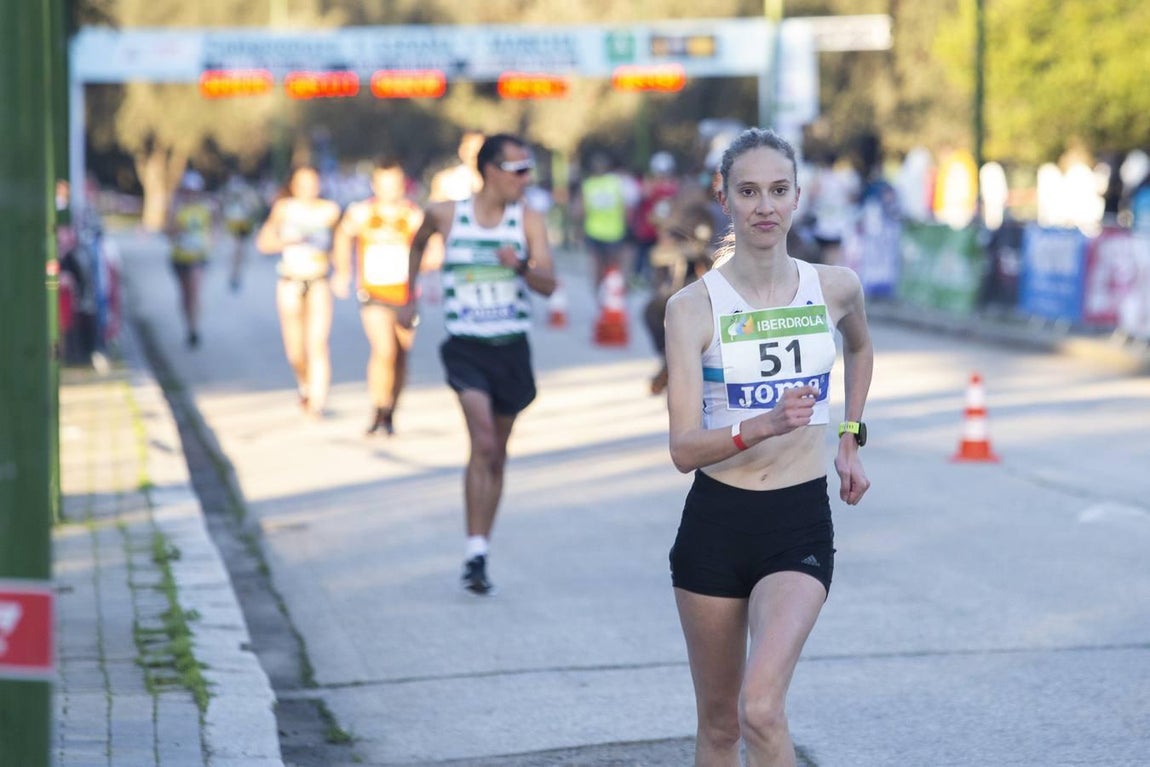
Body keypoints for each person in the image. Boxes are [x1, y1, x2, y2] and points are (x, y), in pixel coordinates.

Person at [663, 128, 873, 766]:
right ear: (723, 198)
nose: (765, 207)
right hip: (715, 525)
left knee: (760, 707)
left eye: (778, 191)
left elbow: (860, 348)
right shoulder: (692, 308)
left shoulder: (834, 287)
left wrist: (849, 436)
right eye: (748, 192)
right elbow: (682, 448)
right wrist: (759, 426)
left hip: (796, 520)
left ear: (798, 196)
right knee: (721, 727)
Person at [402, 133, 557, 596]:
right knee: (484, 443)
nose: (526, 179)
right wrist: (408, 297)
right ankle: (473, 550)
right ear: (489, 170)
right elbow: (417, 243)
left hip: (510, 349)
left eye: (529, 169)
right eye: (518, 170)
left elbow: (548, 285)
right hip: (466, 348)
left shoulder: (528, 219)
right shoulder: (447, 213)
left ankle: (481, 548)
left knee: (498, 453)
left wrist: (522, 267)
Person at [333, 158, 425, 436]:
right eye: (383, 184)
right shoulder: (361, 213)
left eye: (394, 184)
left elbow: (429, 247)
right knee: (383, 350)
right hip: (373, 292)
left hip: (406, 295)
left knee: (401, 356)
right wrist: (342, 271)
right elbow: (342, 236)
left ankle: (391, 411)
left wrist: (432, 260)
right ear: (375, 185)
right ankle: (377, 407)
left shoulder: (412, 215)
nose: (389, 190)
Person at [256, 165, 342, 418]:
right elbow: (264, 243)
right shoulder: (284, 209)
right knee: (295, 349)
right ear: (293, 185)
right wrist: (289, 241)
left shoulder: (330, 211)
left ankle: (317, 401)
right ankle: (305, 385)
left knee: (318, 343)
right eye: (302, 183)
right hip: (290, 280)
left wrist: (342, 273)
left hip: (319, 280)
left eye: (313, 182)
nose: (308, 189)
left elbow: (340, 246)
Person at [166, 170, 216, 348]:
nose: (191, 194)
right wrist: (178, 231)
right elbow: (169, 233)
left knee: (194, 292)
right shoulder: (176, 208)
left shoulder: (206, 208)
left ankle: (194, 328)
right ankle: (188, 325)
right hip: (180, 256)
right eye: (188, 190)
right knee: (185, 294)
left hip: (199, 256)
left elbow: (212, 229)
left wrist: (208, 243)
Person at [220, 170, 264, 292]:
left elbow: (255, 208)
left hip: (243, 226)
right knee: (236, 251)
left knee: (240, 251)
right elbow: (223, 208)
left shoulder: (248, 194)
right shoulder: (228, 193)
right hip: (234, 225)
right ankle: (234, 274)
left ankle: (236, 274)